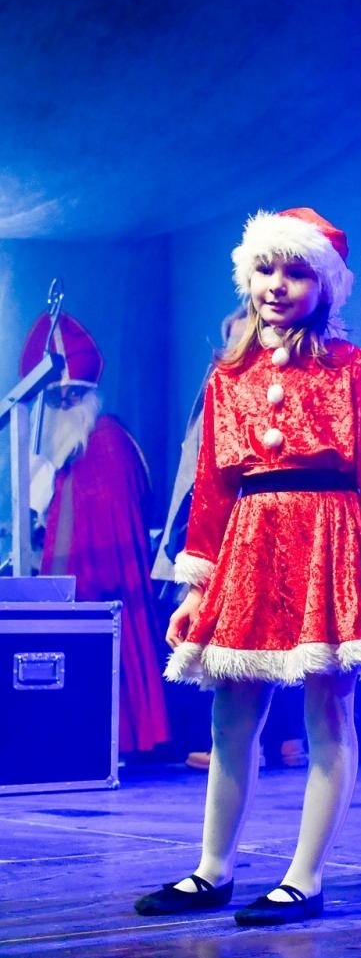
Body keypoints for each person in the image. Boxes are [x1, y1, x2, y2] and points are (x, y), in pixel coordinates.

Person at [137, 207, 361, 926]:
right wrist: (196, 586)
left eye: (296, 272)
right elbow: (212, 486)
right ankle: (213, 869)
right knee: (230, 713)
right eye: (265, 269)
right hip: (251, 545)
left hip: (330, 539)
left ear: (324, 286)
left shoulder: (351, 367)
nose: (277, 284)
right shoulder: (228, 374)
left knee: (328, 707)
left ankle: (305, 876)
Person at [20, 312, 168, 756]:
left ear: (76, 398)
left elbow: (105, 535)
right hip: (80, 589)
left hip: (103, 588)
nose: (56, 410)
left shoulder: (105, 444)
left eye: (61, 400)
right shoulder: (75, 452)